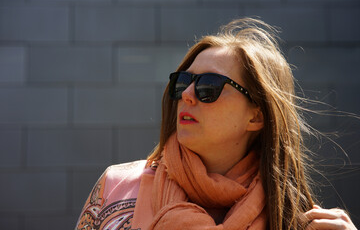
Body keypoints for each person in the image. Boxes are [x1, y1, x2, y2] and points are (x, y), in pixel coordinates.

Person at [75, 18, 357, 230]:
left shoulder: (294, 218)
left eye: (208, 87)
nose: (186, 95)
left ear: (256, 116)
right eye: (183, 82)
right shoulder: (118, 187)